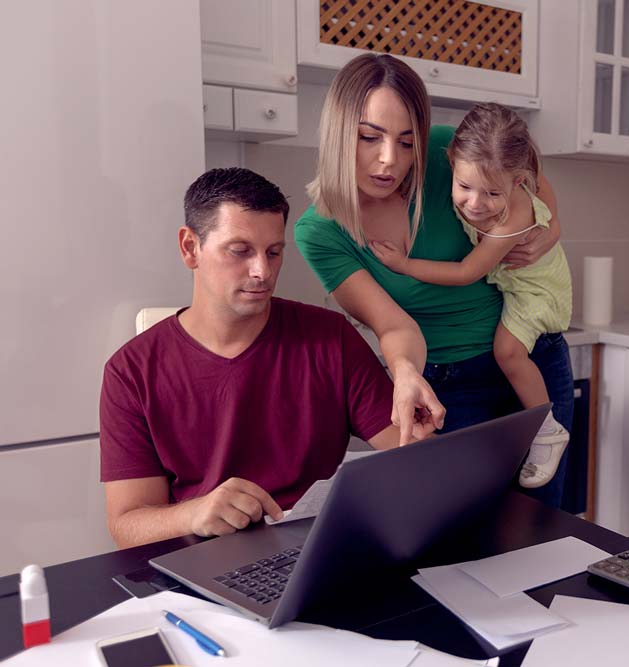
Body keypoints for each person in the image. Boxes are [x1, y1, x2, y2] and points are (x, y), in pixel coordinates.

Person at [295, 53, 575, 507]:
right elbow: (391, 324)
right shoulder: (321, 232)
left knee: (544, 528)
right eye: (370, 137)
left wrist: (552, 227)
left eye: (407, 142)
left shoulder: (446, 155)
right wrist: (404, 372)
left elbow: (530, 182)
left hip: (531, 357)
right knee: (459, 543)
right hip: (448, 389)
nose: (390, 160)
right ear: (338, 132)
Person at [99, 168, 430, 549]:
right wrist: (195, 512)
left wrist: (426, 436)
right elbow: (126, 527)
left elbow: (411, 451)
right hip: (203, 561)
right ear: (190, 248)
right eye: (240, 251)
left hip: (319, 551)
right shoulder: (130, 372)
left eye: (274, 252)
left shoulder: (331, 338)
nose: (263, 271)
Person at [369, 103, 572, 489]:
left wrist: (404, 265)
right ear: (451, 163)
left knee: (508, 353)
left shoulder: (513, 215)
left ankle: (547, 430)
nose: (475, 204)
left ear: (518, 181)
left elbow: (467, 272)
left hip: (533, 290)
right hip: (511, 286)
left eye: (492, 192)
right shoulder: (473, 163)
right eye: (464, 187)